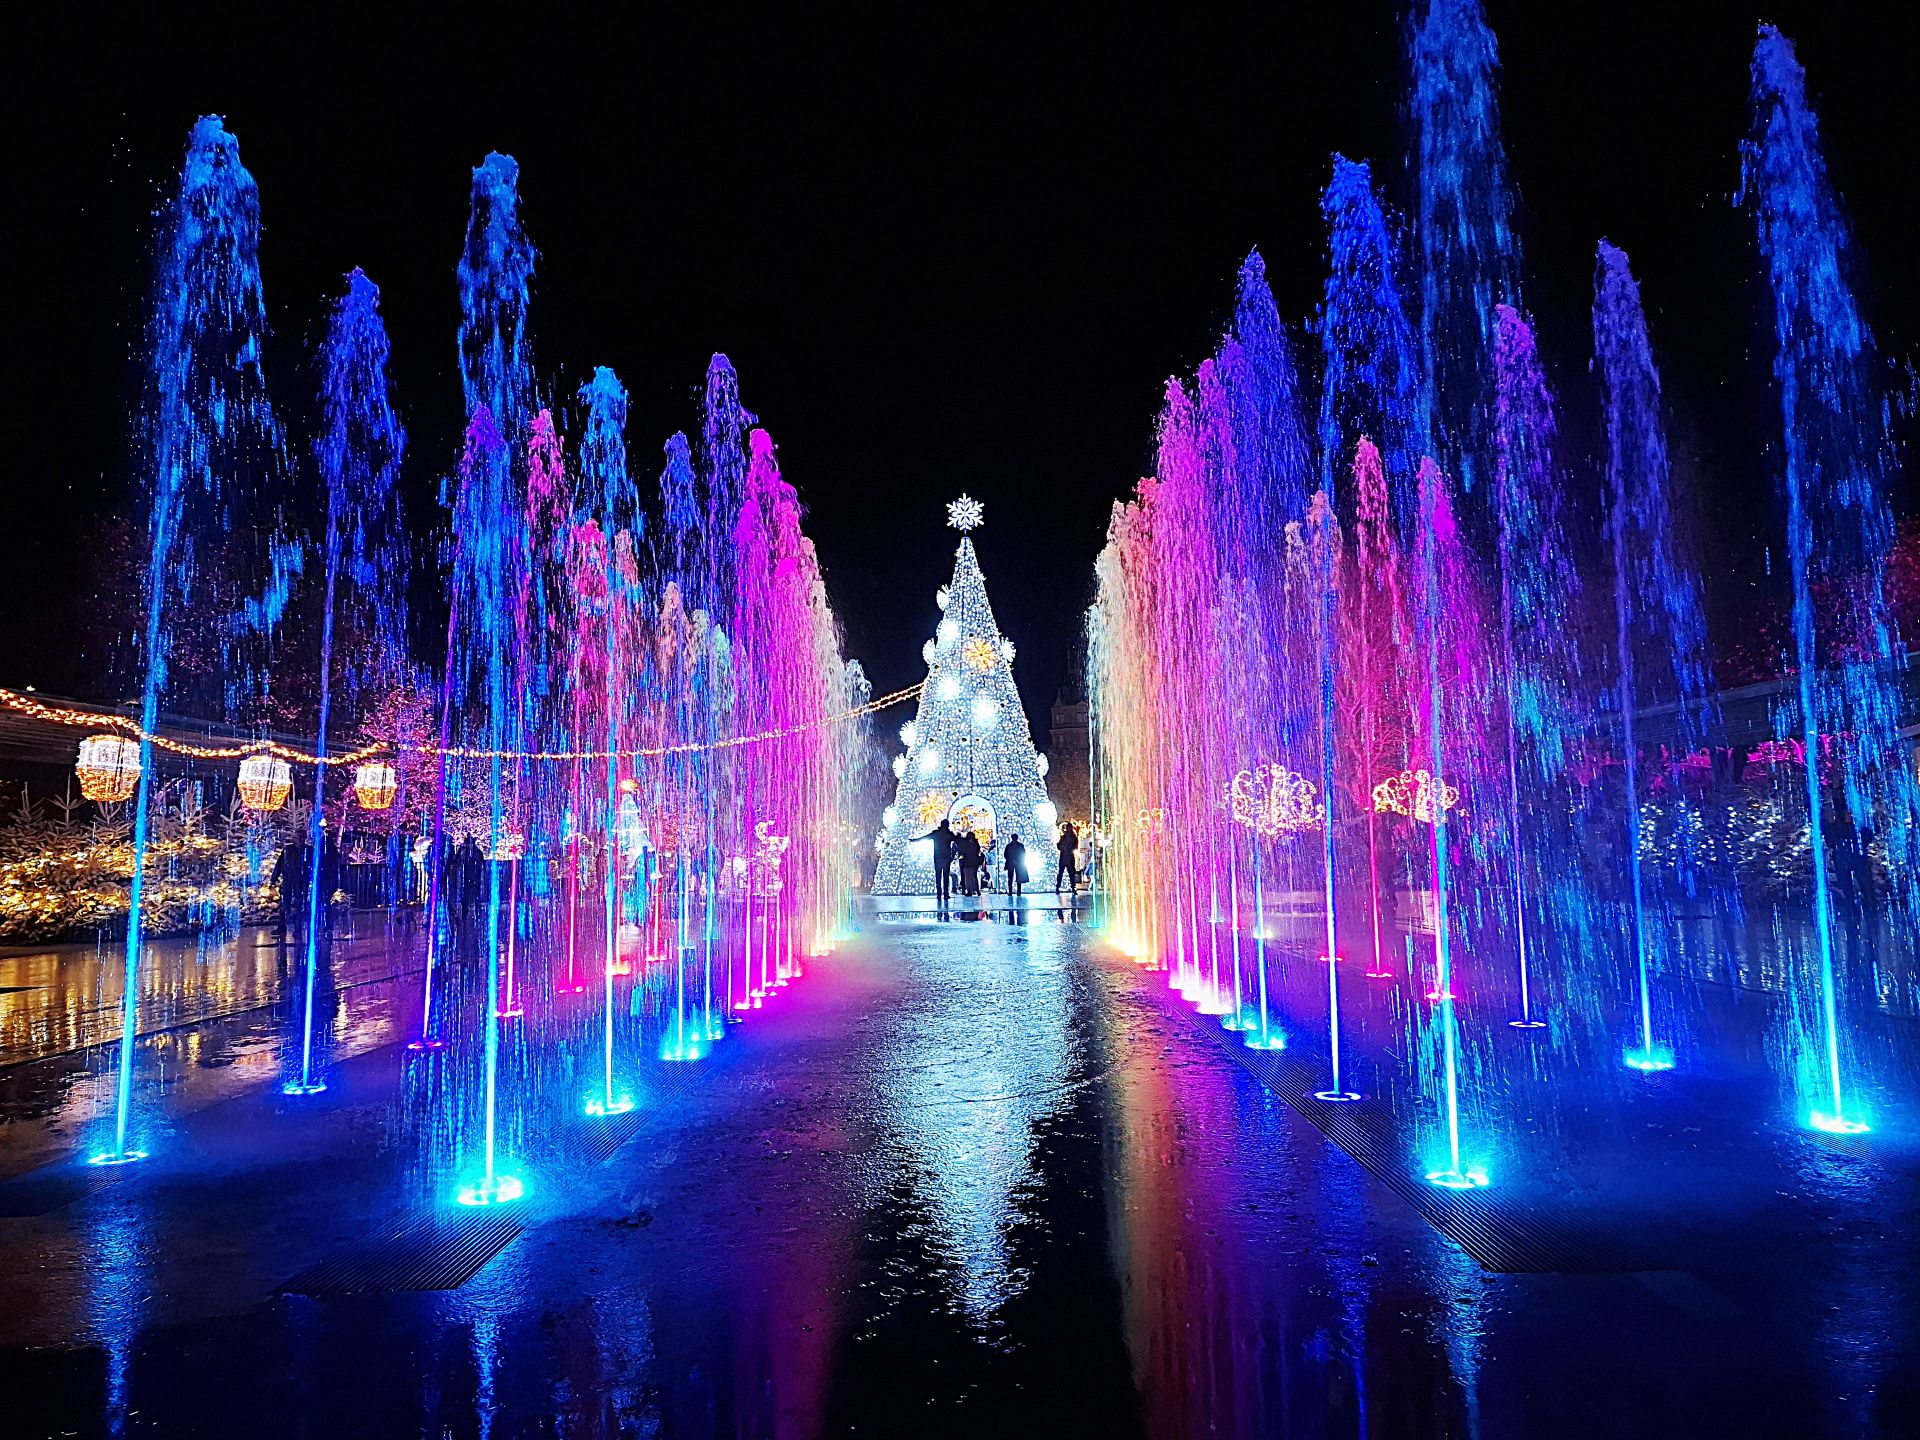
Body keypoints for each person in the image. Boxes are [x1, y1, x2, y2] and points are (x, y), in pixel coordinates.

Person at [931, 819, 956, 904]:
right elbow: (957, 841)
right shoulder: (949, 834)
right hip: (946, 858)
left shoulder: (936, 833)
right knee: (946, 876)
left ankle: (939, 894)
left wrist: (915, 840)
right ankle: (945, 894)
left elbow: (925, 837)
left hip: (938, 858)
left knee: (938, 876)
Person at [1054, 822, 1080, 894]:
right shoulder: (1064, 837)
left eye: (1069, 828)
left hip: (1069, 857)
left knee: (1070, 874)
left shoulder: (1073, 837)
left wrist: (1068, 848)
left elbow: (1075, 847)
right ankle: (1058, 887)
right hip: (1064, 857)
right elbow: (1059, 845)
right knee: (1061, 873)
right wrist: (1062, 847)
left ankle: (1073, 888)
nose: (1068, 829)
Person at [957, 828, 984, 897]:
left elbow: (963, 851)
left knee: (968, 877)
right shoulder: (976, 844)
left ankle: (970, 891)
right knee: (974, 877)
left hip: (967, 862)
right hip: (974, 862)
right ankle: (976, 890)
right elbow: (977, 851)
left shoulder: (966, 844)